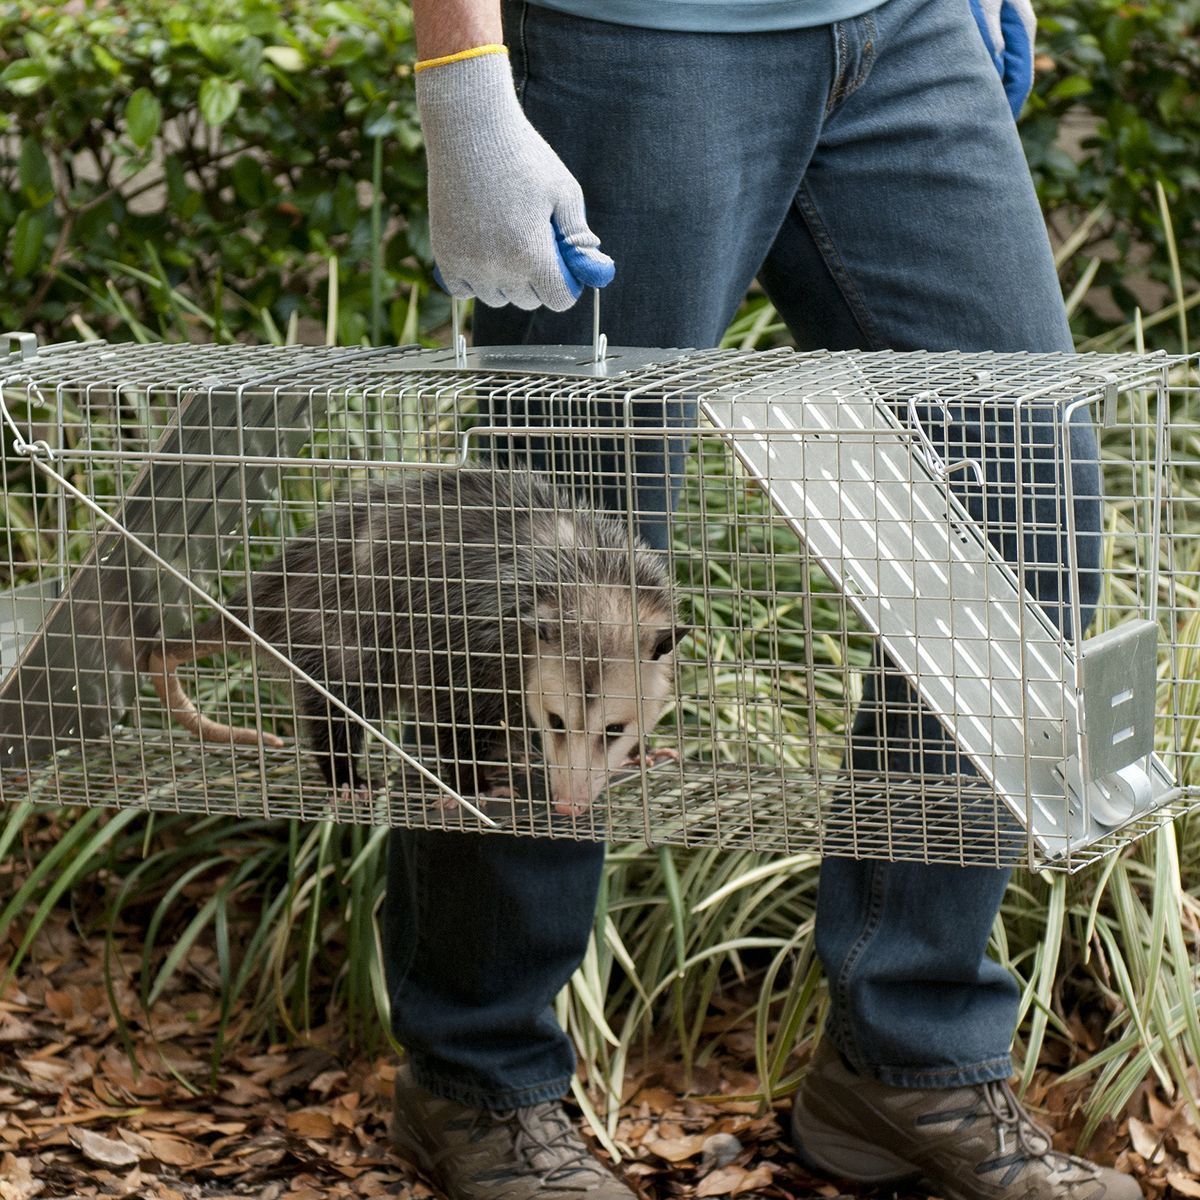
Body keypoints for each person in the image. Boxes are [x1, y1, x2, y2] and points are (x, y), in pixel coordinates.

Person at [384, 1, 1142, 1198]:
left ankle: (911, 1063)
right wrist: (463, 70)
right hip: (632, 37)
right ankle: (478, 1078)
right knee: (563, 567)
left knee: (1025, 499)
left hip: (903, 28)